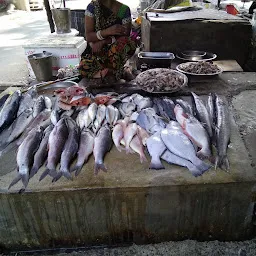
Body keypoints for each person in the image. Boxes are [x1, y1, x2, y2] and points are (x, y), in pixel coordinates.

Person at [78, 0, 137, 81]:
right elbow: (89, 36)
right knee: (83, 67)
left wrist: (104, 41)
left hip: (115, 52)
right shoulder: (92, 7)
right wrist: (107, 32)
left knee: (125, 42)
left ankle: (110, 72)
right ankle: (113, 72)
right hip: (97, 53)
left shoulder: (123, 10)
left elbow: (125, 36)